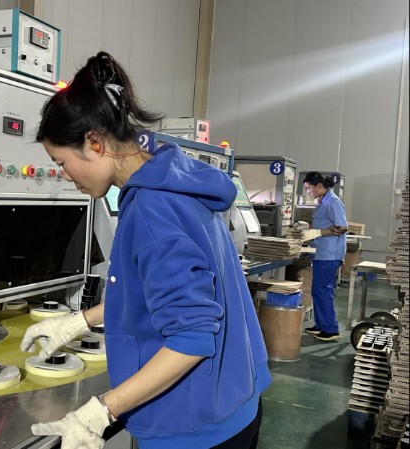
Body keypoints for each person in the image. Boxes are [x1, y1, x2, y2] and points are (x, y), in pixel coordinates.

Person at [19, 51, 271, 449]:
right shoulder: (176, 179)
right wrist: (79, 321)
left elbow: (191, 336)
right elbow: (154, 294)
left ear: (94, 142)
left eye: (61, 162)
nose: (64, 176)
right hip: (235, 398)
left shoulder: (152, 210)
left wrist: (100, 411)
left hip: (196, 428)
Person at [301, 172, 348, 342]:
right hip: (321, 253)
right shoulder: (323, 201)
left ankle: (330, 329)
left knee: (323, 290)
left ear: (319, 186)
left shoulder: (333, 202)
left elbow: (342, 227)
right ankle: (321, 325)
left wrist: (317, 233)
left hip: (329, 254)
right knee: (318, 290)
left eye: (309, 188)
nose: (308, 192)